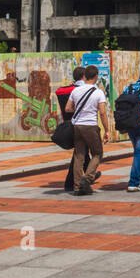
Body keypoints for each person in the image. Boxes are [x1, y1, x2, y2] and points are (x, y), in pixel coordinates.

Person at [65, 64, 109, 195]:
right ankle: (87, 179)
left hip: (77, 126)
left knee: (79, 156)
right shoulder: (98, 92)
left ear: (85, 76)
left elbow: (68, 108)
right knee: (97, 153)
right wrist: (106, 130)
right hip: (90, 126)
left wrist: (80, 110)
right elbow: (102, 112)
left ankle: (77, 187)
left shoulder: (76, 90)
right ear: (96, 76)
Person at [55, 65, 89, 193]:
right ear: (84, 76)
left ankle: (86, 174)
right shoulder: (84, 89)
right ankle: (75, 181)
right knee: (81, 153)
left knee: (81, 153)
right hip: (83, 125)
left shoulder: (66, 90)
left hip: (69, 125)